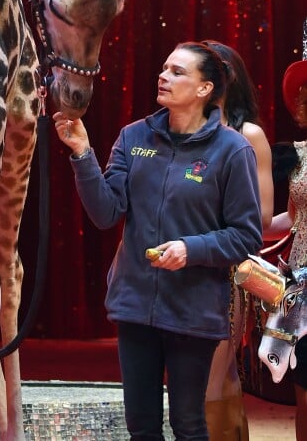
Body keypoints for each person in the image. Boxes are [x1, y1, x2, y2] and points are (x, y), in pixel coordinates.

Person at [53, 41, 263, 439]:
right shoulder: (133, 138)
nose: (163, 76)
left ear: (204, 89)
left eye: (177, 71)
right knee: (141, 427)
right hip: (134, 304)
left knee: (188, 424)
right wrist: (82, 154)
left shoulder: (232, 150)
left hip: (192, 311)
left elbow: (246, 236)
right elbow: (105, 213)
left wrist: (191, 249)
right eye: (164, 68)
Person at [202, 41, 273, 440]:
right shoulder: (178, 131)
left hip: (226, 270)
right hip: (180, 267)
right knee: (210, 376)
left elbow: (261, 217)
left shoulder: (249, 136)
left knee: (215, 372)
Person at [262, 56, 307, 441]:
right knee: (305, 394)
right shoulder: (294, 156)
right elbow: (291, 219)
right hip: (303, 288)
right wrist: (248, 224)